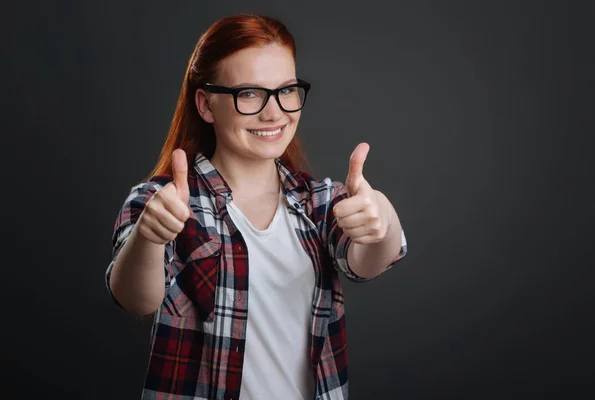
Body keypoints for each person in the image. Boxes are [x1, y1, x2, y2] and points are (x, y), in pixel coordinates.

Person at [105, 13, 407, 400]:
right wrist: (149, 237)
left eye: (286, 90)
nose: (274, 112)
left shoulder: (318, 203)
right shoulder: (160, 202)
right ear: (207, 105)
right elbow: (134, 297)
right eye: (249, 93)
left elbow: (368, 263)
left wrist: (382, 215)